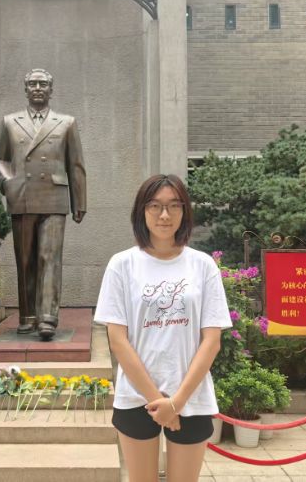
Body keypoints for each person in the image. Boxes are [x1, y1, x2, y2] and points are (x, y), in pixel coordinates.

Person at [93, 174, 231, 481]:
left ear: (184, 211)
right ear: (142, 211)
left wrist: (176, 403)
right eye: (155, 206)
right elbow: (118, 340)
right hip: (136, 397)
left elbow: (211, 340)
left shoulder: (203, 265)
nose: (164, 215)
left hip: (191, 398)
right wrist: (158, 400)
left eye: (173, 206)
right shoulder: (122, 265)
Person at [0, 68, 87, 340]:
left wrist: (79, 200)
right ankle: (27, 317)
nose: (37, 88)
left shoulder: (66, 123)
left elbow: (76, 164)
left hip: (54, 197)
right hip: (21, 197)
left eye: (42, 84)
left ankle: (47, 318)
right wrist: (8, 183)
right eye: (32, 84)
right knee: (25, 260)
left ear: (50, 90)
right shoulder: (10, 122)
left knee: (50, 258)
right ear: (25, 89)